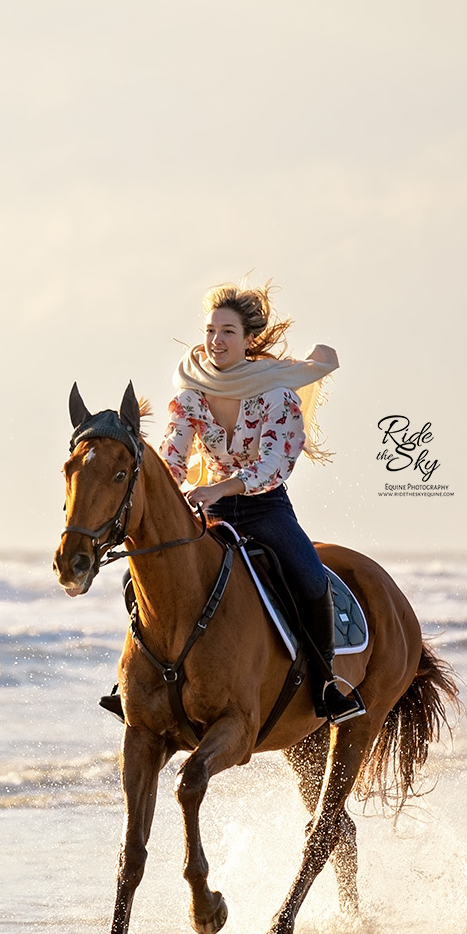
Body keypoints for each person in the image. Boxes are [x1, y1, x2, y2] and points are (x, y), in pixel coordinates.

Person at [135, 281, 364, 724]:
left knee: (310, 579)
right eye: (210, 331)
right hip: (209, 511)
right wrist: (169, 494)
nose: (215, 341)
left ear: (248, 340)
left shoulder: (276, 395)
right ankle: (137, 683)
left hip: (265, 508)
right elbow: (172, 459)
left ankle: (325, 685)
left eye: (227, 332)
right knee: (145, 575)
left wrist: (220, 488)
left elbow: (275, 464)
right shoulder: (190, 394)